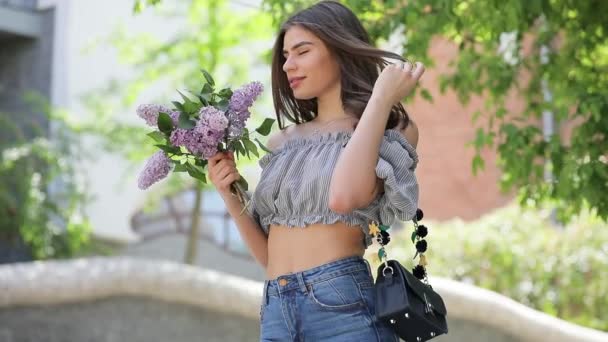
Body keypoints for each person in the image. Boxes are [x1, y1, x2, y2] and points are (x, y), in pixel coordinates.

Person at [208, 1, 423, 340]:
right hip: (275, 308)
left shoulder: (390, 128)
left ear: (339, 50)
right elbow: (269, 255)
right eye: (285, 56)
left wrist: (380, 98)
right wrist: (230, 193)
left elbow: (344, 197)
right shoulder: (282, 143)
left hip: (343, 306)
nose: (288, 65)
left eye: (301, 51)